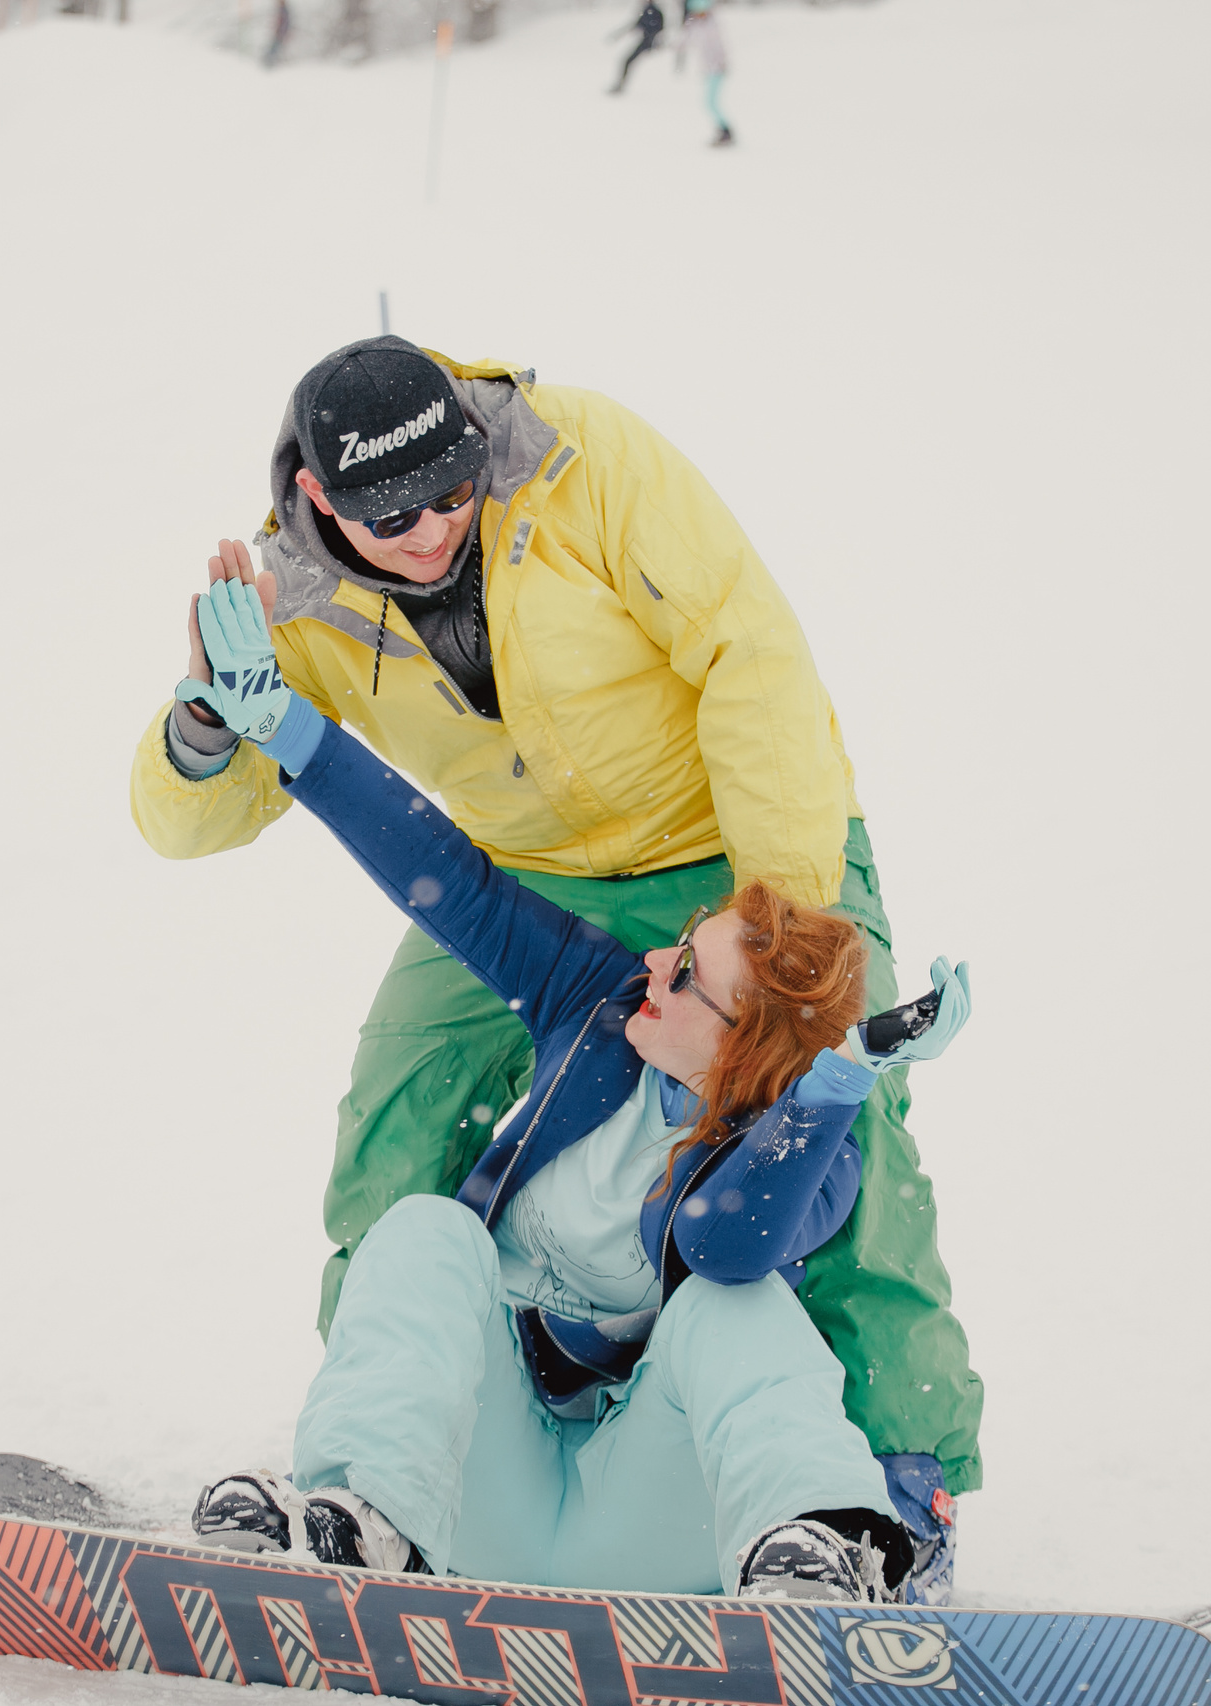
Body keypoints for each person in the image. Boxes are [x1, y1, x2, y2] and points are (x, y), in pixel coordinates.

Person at [129, 337, 983, 1601]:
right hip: (528, 882)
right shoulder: (297, 599)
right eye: (387, 513)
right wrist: (214, 723)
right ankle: (369, 1469)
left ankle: (891, 1497)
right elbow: (196, 818)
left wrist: (782, 939)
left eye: (449, 495)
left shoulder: (581, 462)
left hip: (731, 836)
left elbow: (746, 650)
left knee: (846, 1166)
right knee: (399, 1115)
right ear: (319, 500)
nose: (427, 530)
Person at [682, 0, 733, 146]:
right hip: (708, 69)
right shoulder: (696, 25)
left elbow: (719, 47)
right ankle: (723, 131)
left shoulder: (712, 25)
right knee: (709, 103)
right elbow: (685, 40)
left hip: (717, 68)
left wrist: (721, 64)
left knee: (710, 103)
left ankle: (725, 131)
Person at [609, 0, 664, 94]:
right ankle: (620, 85)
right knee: (627, 61)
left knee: (627, 61)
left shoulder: (652, 10)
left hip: (647, 41)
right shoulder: (649, 9)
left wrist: (652, 41)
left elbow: (656, 27)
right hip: (646, 40)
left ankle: (620, 85)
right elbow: (638, 24)